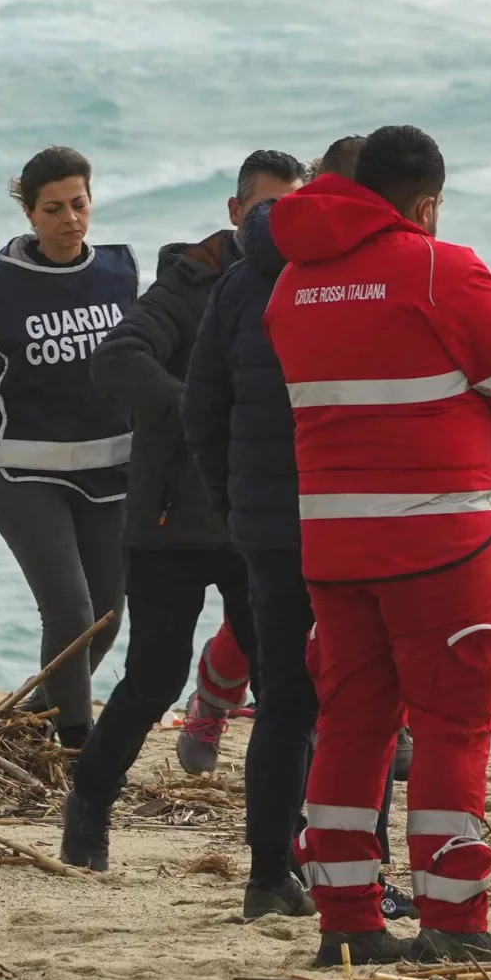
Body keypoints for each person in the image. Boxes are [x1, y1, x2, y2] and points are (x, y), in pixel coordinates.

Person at [263, 124, 491, 966]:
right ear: (426, 202)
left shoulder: (292, 284)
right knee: (454, 725)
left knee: (352, 724)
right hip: (441, 539)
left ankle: (348, 918)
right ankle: (454, 921)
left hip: (331, 539)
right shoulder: (442, 267)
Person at [184, 137, 418, 924]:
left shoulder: (245, 277)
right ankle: (356, 874)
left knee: (285, 700)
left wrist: (235, 501)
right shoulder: (378, 272)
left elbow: (200, 406)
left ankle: (266, 877)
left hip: (270, 526)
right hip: (356, 520)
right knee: (365, 703)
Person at [56, 149, 306, 872]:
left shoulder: (306, 283)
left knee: (282, 684)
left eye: (292, 211)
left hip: (252, 518)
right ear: (235, 213)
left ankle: (282, 846)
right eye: (265, 211)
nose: (276, 226)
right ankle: (90, 803)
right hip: (167, 521)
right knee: (155, 677)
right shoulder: (190, 281)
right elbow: (114, 358)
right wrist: (194, 405)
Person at [0, 146, 137, 748]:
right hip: (23, 473)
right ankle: (75, 742)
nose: (70, 218)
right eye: (54, 208)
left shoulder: (120, 272)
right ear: (29, 213)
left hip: (110, 470)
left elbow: (141, 372)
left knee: (107, 617)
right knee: (69, 612)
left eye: (79, 203)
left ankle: (35, 714)